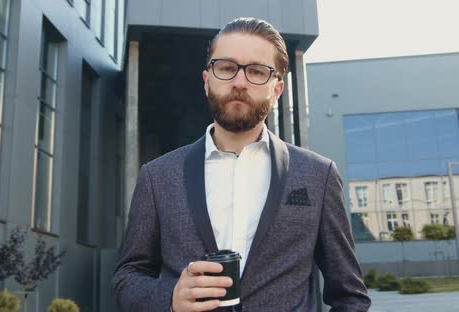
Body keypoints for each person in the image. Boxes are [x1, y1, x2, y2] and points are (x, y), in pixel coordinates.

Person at [114, 17, 371, 312]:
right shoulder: (157, 177)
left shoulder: (318, 175)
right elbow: (127, 278)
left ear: (277, 89)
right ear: (207, 79)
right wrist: (169, 297)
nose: (239, 82)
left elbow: (350, 296)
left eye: (257, 71)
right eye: (226, 67)